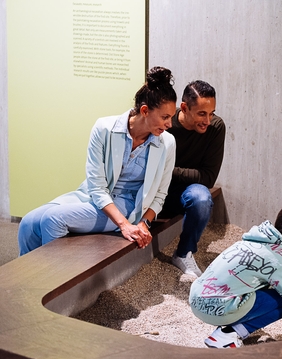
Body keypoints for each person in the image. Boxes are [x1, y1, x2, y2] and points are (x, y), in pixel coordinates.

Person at [18, 67, 177, 255]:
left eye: (171, 117)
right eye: (165, 117)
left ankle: (60, 280)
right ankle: (33, 280)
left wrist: (142, 223)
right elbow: (97, 187)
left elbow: (160, 195)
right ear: (144, 111)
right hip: (95, 198)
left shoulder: (167, 143)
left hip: (129, 205)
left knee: (52, 219)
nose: (170, 124)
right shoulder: (103, 129)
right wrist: (123, 225)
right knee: (27, 223)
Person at [189, 202, 282, 348]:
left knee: (281, 294)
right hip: (218, 310)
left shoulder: (251, 240)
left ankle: (227, 331)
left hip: (195, 300)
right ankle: (227, 335)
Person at [158, 80, 226, 277]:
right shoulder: (166, 125)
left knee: (202, 198)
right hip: (157, 190)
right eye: (202, 113)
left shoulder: (216, 128)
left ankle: (183, 253)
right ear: (185, 108)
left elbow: (208, 178)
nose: (208, 120)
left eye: (211, 112)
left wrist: (169, 170)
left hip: (185, 192)